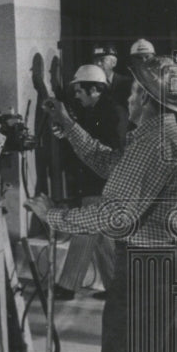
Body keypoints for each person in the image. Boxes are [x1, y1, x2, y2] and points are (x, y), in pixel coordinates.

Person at [26, 55, 177, 352]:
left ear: (147, 98)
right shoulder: (164, 135)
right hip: (168, 264)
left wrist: (54, 217)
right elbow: (109, 163)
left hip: (147, 271)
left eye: (134, 91)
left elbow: (115, 215)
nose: (128, 97)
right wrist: (68, 123)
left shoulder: (155, 143)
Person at [53, 64, 128, 301]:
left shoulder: (112, 113)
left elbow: (105, 151)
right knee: (102, 237)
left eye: (79, 91)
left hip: (103, 181)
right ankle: (115, 287)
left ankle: (68, 286)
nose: (76, 95)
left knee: (86, 229)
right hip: (96, 181)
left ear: (94, 89)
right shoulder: (97, 111)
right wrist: (67, 133)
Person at [92, 43, 132, 112]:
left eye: (102, 60)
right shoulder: (91, 85)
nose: (98, 63)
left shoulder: (128, 83)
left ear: (114, 63)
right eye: (96, 60)